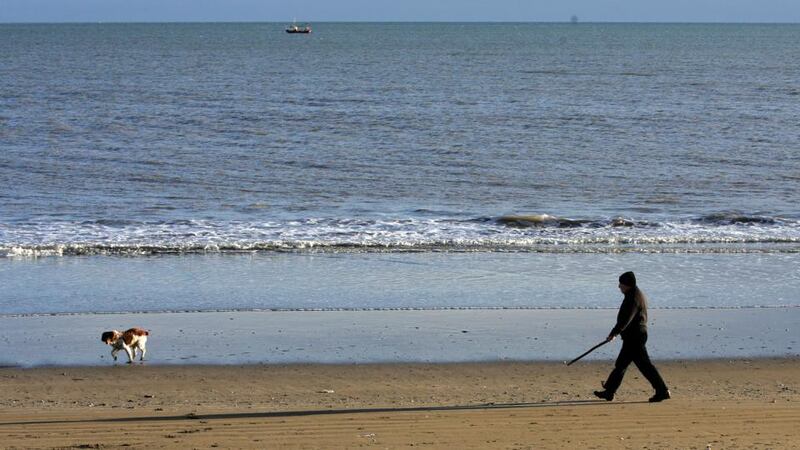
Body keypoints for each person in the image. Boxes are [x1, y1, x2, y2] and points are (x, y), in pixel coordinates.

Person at [593, 271, 671, 402]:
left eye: (621, 284)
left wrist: (614, 333)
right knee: (622, 364)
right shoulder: (634, 294)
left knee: (643, 366)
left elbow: (625, 320)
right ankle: (609, 391)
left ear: (628, 285)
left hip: (635, 337)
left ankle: (662, 391)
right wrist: (616, 333)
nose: (619, 287)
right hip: (634, 336)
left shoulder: (633, 298)